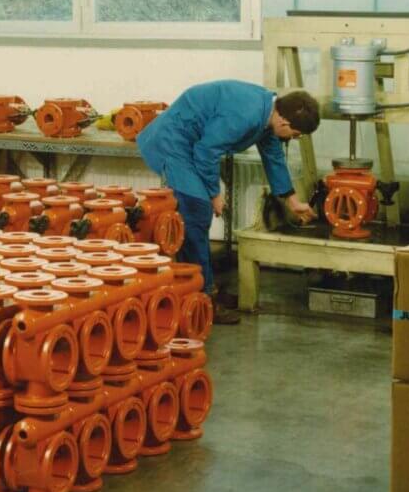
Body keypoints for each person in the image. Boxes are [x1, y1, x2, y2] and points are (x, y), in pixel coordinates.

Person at [136, 80, 321, 324]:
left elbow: (273, 156)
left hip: (193, 144)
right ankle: (201, 299)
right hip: (173, 141)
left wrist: (292, 201)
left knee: (196, 211)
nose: (293, 139)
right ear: (284, 122)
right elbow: (206, 151)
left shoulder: (270, 111)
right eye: (295, 135)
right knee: (196, 211)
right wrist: (214, 195)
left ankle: (204, 286)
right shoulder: (246, 116)